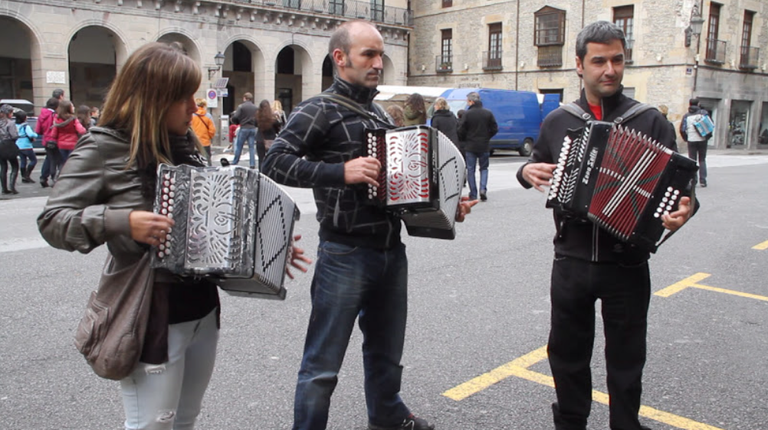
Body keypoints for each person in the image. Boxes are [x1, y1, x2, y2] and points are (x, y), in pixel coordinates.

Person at [37, 42, 309, 430]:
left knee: (185, 420)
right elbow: (53, 220)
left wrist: (270, 245)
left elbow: (215, 220)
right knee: (153, 425)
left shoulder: (187, 143)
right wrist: (122, 221)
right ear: (153, 98)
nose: (193, 108)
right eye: (183, 98)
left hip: (202, 307)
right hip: (150, 312)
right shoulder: (103, 146)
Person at [263, 20, 476, 430]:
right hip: (344, 252)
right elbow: (274, 162)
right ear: (340, 58)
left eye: (380, 54)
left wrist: (447, 206)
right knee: (322, 365)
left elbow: (399, 184)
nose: (378, 62)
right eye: (369, 54)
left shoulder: (379, 112)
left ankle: (386, 416)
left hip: (390, 250)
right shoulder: (318, 109)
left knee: (386, 354)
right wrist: (339, 172)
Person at [517, 21, 694, 430]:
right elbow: (536, 163)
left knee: (628, 359)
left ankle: (625, 425)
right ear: (579, 65)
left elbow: (682, 189)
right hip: (571, 260)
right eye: (599, 61)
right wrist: (526, 171)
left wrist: (684, 210)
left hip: (627, 265)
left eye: (617, 60)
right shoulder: (559, 120)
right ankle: (571, 423)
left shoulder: (650, 121)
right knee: (566, 354)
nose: (610, 70)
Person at [458, 91, 497, 201]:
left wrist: (465, 138)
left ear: (471, 101)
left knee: (471, 170)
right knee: (484, 168)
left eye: (467, 101)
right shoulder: (488, 113)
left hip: (470, 145)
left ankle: (473, 193)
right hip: (484, 145)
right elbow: (494, 128)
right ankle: (483, 189)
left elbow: (461, 130)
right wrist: (487, 136)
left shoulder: (467, 114)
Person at [680, 98, 711, 187]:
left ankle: (693, 180)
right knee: (702, 159)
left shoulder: (686, 116)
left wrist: (686, 138)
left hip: (691, 140)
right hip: (702, 139)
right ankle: (703, 180)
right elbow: (710, 125)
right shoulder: (703, 113)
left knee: (692, 161)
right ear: (698, 104)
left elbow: (682, 129)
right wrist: (707, 136)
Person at [50, 99, 87, 170]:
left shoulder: (57, 119)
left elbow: (53, 134)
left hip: (61, 144)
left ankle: (62, 174)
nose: (74, 108)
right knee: (71, 162)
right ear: (68, 108)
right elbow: (82, 131)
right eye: (72, 106)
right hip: (73, 144)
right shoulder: (73, 119)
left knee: (63, 162)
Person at [36, 97, 60, 188]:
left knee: (49, 159)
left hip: (46, 140)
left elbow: (38, 130)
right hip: (55, 140)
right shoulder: (55, 115)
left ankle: (43, 177)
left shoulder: (42, 115)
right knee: (56, 160)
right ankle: (54, 177)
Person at [230, 92, 258, 168]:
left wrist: (237, 122)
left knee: (239, 146)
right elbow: (257, 118)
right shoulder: (255, 107)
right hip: (252, 128)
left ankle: (235, 161)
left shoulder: (241, 107)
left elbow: (236, 117)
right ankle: (252, 164)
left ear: (244, 98)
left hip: (244, 127)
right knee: (251, 147)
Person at [255, 99, 281, 171]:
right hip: (271, 140)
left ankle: (261, 173)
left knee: (261, 159)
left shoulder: (257, 117)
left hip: (260, 139)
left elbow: (255, 124)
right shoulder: (273, 118)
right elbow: (278, 128)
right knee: (271, 159)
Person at [0, 104, 20, 195]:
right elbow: (14, 135)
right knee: (15, 166)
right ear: (8, 113)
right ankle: (12, 187)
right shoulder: (10, 123)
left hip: (1, 144)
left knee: (3, 167)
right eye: (11, 113)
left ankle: (4, 188)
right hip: (9, 144)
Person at [14, 110, 39, 183]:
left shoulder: (15, 125)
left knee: (23, 161)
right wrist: (35, 135)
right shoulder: (26, 126)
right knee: (33, 160)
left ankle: (23, 176)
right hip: (26, 146)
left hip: (18, 145)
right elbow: (31, 134)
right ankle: (27, 175)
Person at [190, 98, 216, 166]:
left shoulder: (191, 115)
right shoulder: (208, 116)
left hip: (194, 141)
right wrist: (208, 137)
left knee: (194, 160)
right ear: (204, 105)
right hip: (205, 142)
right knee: (207, 160)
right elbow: (212, 130)